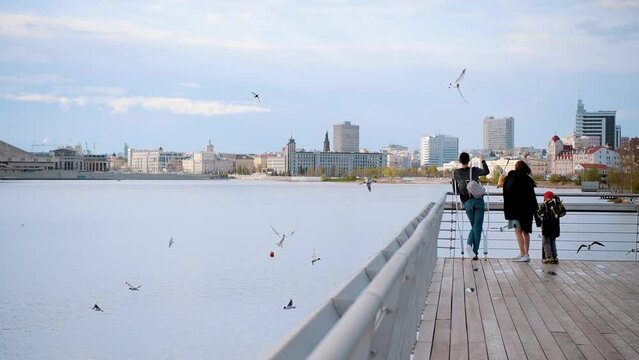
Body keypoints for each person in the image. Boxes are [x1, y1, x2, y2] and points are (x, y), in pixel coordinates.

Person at [453, 152, 490, 260]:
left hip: (467, 203)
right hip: (478, 201)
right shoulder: (474, 170)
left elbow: (455, 188)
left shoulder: (456, 173)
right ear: (469, 160)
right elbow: (486, 171)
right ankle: (472, 249)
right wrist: (482, 160)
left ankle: (472, 251)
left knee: (475, 227)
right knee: (477, 227)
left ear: (460, 161)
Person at [502, 160, 539, 262]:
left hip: (513, 209)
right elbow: (532, 197)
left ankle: (522, 253)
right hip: (526, 210)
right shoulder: (528, 179)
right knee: (525, 232)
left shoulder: (510, 178)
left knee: (517, 231)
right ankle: (526, 254)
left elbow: (506, 190)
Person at [537, 191, 566, 264]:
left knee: (546, 242)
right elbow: (563, 212)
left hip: (547, 226)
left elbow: (539, 213)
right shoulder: (558, 204)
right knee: (553, 241)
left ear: (547, 198)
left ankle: (548, 257)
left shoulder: (545, 205)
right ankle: (554, 256)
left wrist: (542, 216)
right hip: (555, 227)